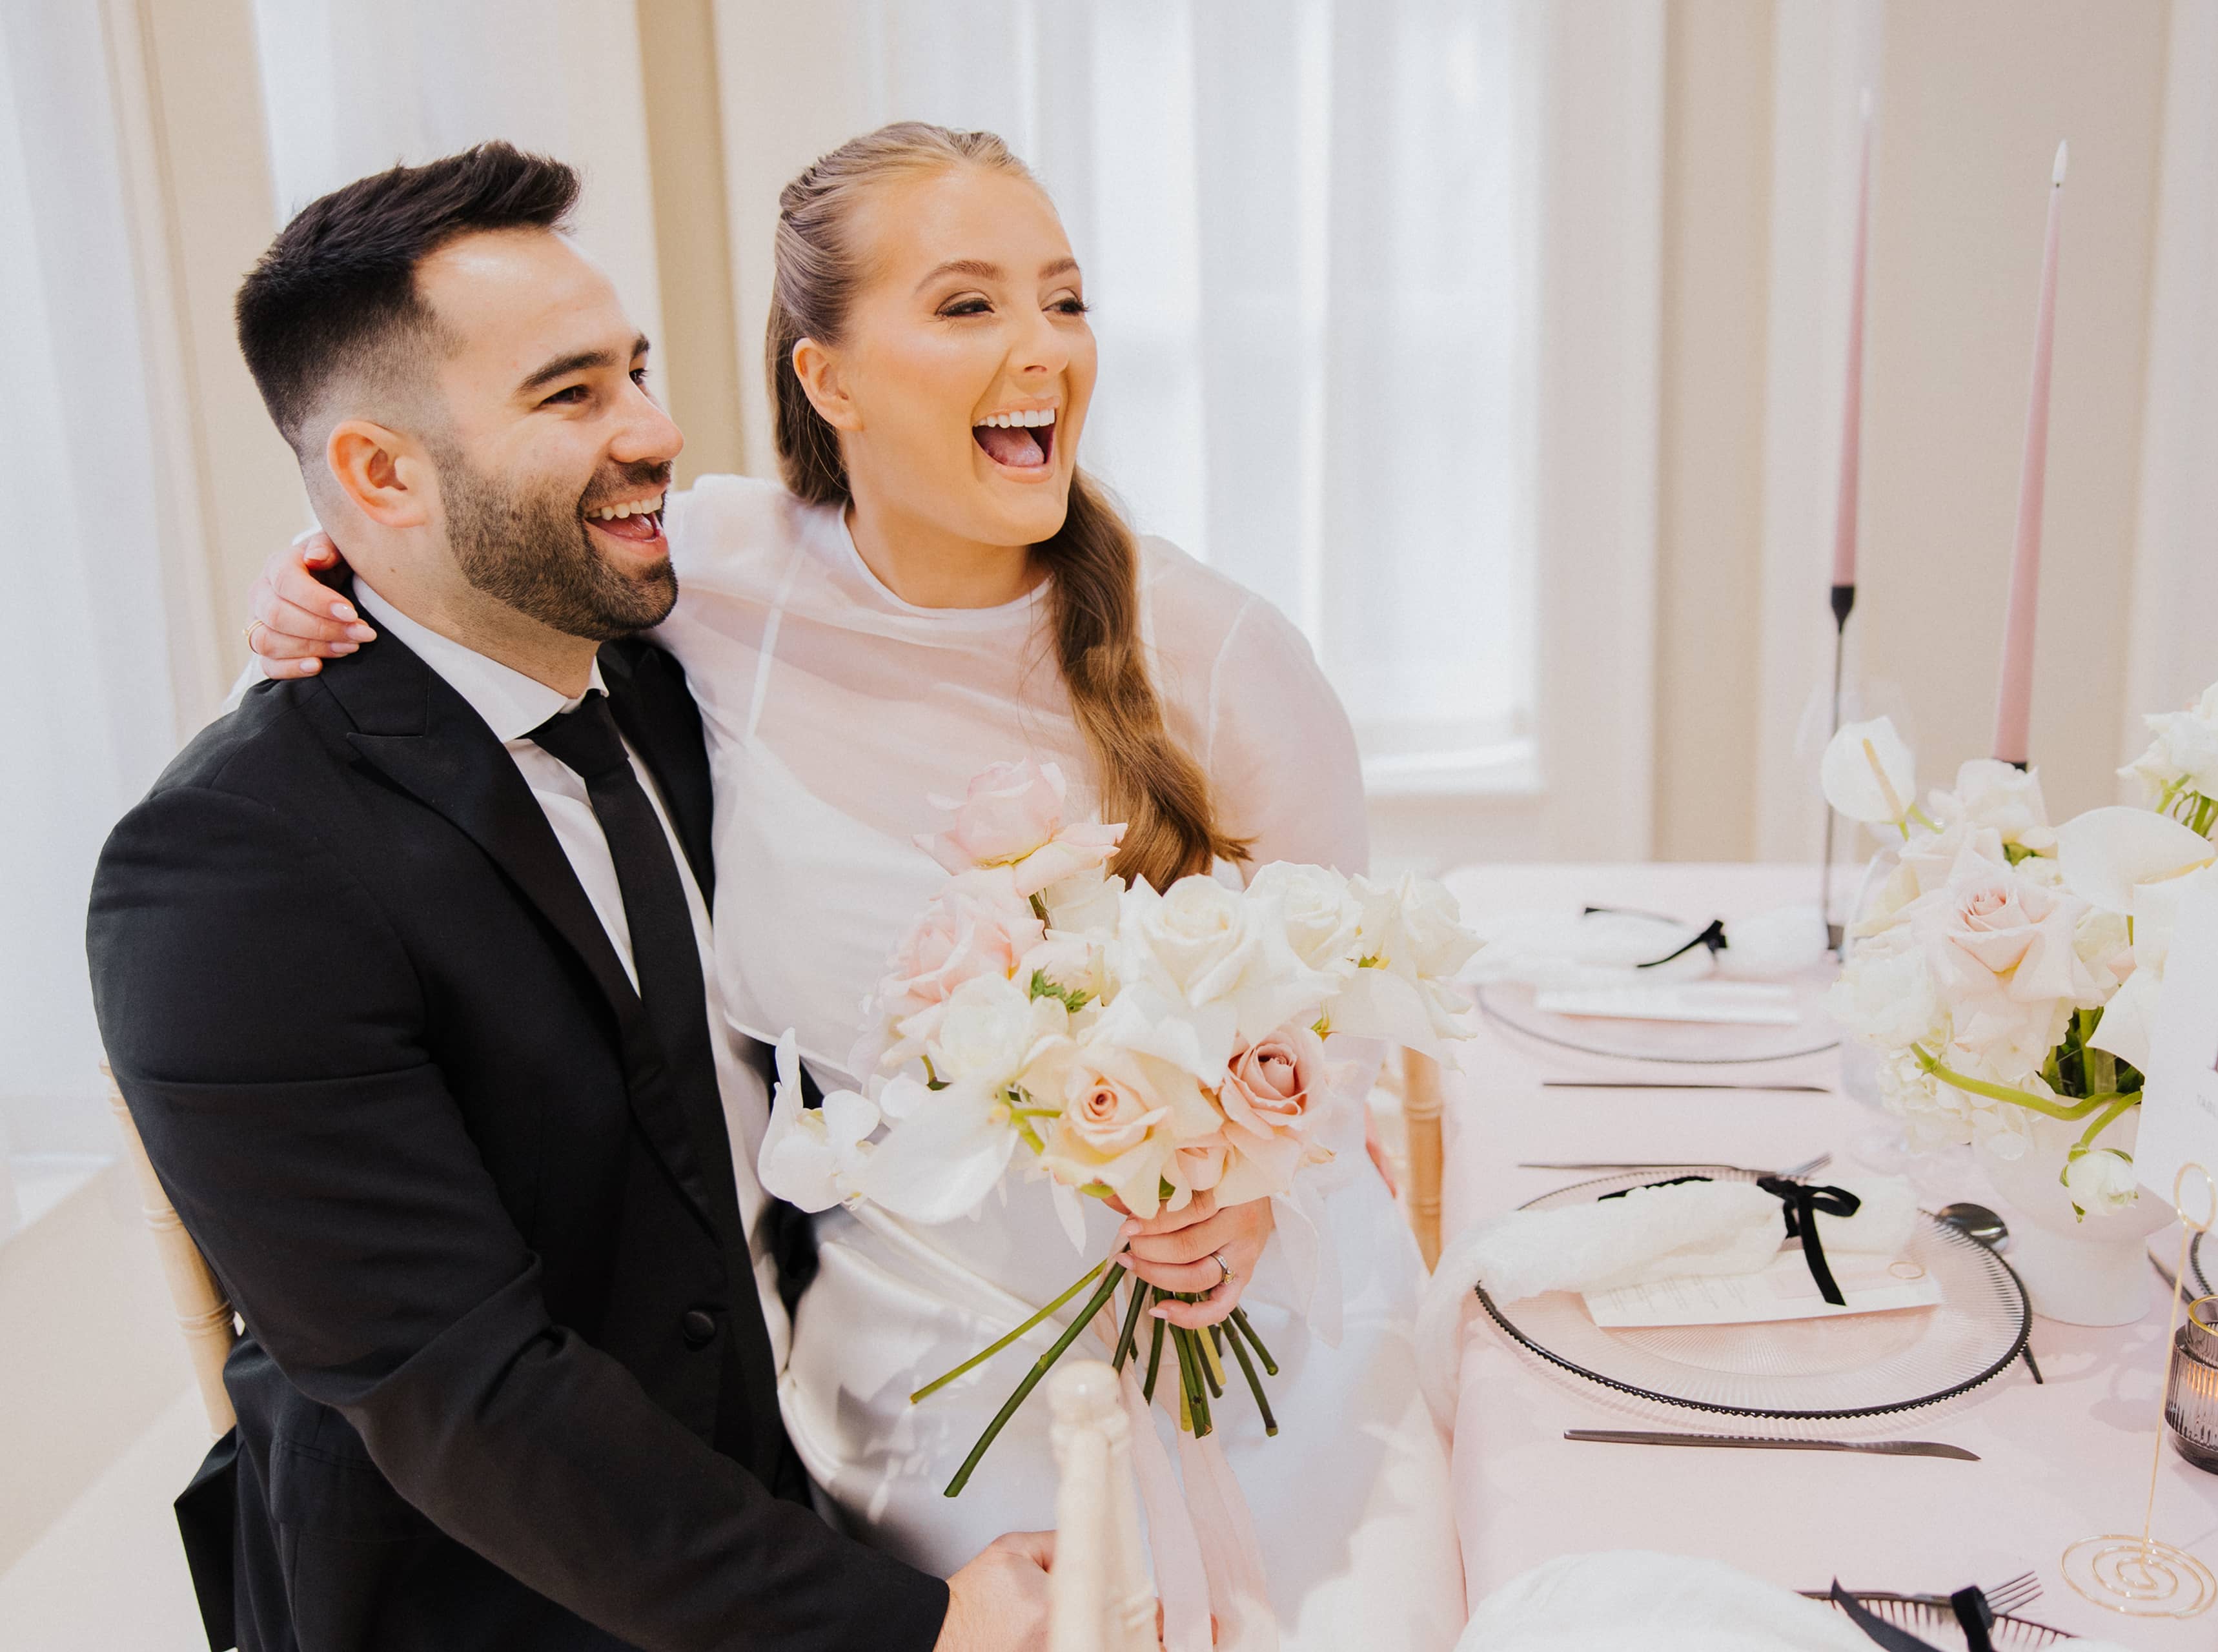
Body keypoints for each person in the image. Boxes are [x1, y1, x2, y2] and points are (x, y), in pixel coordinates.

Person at [242, 124, 1462, 1649]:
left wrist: (1244, 1206)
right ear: (829, 379)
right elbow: (487, 543)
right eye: (967, 306)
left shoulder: (1228, 662)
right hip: (892, 1380)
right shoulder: (718, 579)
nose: (1045, 350)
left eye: (1064, 299)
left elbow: (1334, 1031)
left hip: (1224, 1337)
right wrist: (323, 565)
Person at [88, 143, 1051, 1652]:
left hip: (819, 1458)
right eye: (570, 394)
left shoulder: (670, 690)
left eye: (638, 371)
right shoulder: (228, 874)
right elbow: (470, 1400)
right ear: (379, 475)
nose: (657, 431)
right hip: (502, 1598)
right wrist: (912, 1629)